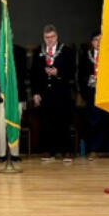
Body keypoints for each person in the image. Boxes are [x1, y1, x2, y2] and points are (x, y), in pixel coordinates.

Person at [30, 24, 75, 163]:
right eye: (46, 37)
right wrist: (35, 93)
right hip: (45, 93)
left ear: (57, 36)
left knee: (63, 121)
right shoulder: (39, 51)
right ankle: (49, 151)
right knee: (46, 122)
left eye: (52, 37)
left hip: (62, 92)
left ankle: (66, 151)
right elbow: (34, 74)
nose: (49, 40)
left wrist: (58, 73)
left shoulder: (66, 51)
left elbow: (72, 71)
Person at [0, 41, 28, 163]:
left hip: (15, 94)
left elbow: (23, 73)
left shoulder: (20, 51)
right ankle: (2, 154)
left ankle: (15, 154)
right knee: (0, 126)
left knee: (14, 124)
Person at [78, 32, 109, 159]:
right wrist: (87, 87)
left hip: (108, 95)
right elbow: (80, 76)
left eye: (101, 39)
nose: (99, 42)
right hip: (92, 95)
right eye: (96, 40)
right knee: (94, 122)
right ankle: (94, 150)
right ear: (92, 42)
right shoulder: (86, 56)